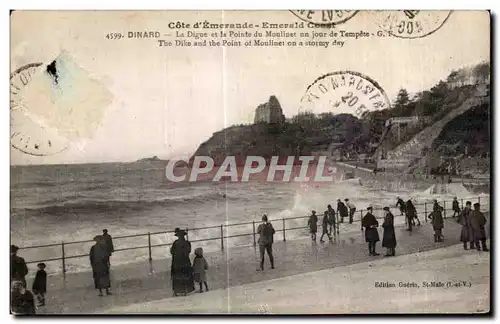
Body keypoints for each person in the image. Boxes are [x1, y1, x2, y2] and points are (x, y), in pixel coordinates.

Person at [170, 228, 195, 296]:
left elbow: (172, 251)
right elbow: (188, 251)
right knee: (186, 276)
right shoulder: (187, 243)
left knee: (177, 277)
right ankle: (186, 290)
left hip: (177, 263)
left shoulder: (175, 243)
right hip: (185, 262)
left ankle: (177, 291)